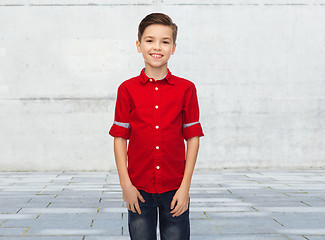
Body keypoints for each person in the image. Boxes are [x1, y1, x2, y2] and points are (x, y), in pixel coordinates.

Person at [109, 12, 204, 240]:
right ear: (139, 45)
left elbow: (193, 138)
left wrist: (185, 189)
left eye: (165, 41)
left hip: (174, 189)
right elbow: (120, 138)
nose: (157, 47)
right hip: (138, 190)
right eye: (150, 40)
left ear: (173, 48)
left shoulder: (186, 89)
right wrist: (126, 186)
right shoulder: (126, 89)